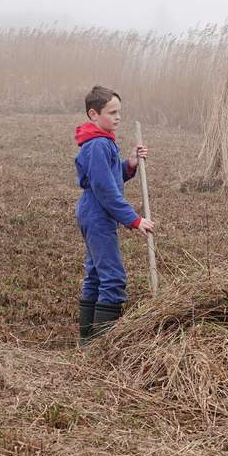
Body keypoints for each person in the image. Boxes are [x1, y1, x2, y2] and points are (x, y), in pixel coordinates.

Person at [75, 86, 154, 344]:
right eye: (112, 112)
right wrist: (134, 219)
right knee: (113, 278)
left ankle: (87, 342)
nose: (118, 117)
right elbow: (105, 189)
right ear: (93, 114)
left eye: (119, 111)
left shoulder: (102, 141)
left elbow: (109, 177)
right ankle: (100, 345)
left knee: (97, 274)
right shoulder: (97, 144)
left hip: (94, 210)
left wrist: (129, 164)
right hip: (97, 212)